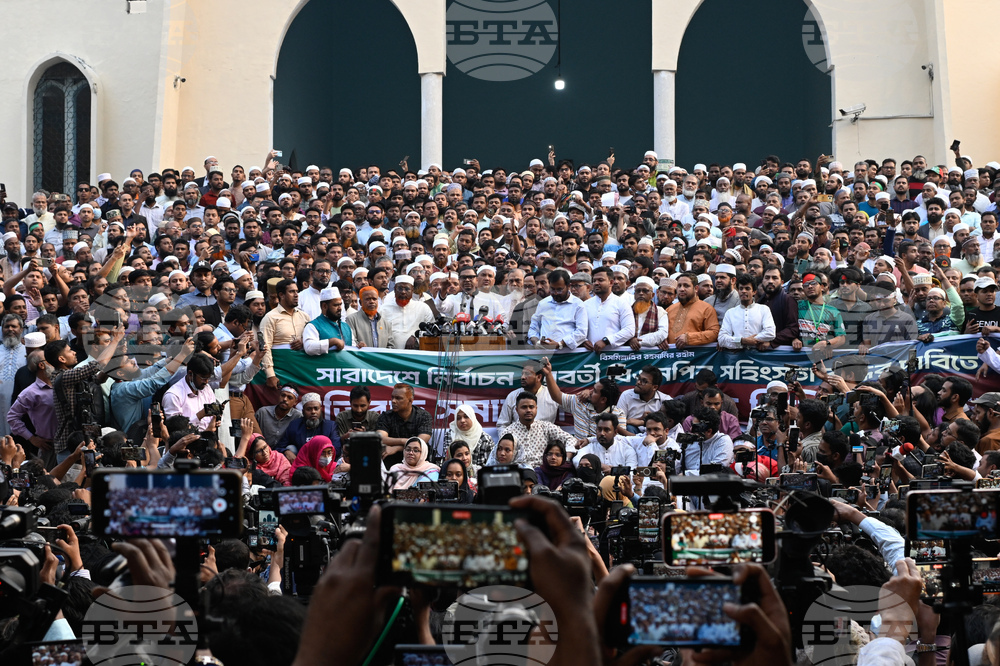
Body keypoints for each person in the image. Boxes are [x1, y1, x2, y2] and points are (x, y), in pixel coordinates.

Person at [538, 356, 628, 441]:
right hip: (579, 451)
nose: (590, 391)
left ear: (603, 400)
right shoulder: (580, 402)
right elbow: (557, 396)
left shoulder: (618, 414)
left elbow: (619, 440)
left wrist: (612, 423)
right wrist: (548, 374)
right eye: (592, 389)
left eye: (595, 391)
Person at [260, 278, 310, 388]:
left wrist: (303, 341)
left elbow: (313, 339)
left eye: (297, 291)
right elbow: (265, 347)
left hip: (303, 372)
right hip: (281, 373)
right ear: (281, 295)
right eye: (291, 292)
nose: (296, 295)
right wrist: (270, 375)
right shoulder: (270, 317)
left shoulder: (305, 317)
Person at [528, 270, 587, 349]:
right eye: (552, 289)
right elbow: (534, 327)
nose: (555, 293)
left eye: (559, 290)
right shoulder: (543, 304)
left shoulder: (578, 305)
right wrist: (536, 342)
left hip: (568, 353)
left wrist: (560, 344)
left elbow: (581, 332)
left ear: (568, 286)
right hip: (544, 352)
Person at [376, 383, 432, 466]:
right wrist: (404, 441)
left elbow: (420, 443)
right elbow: (381, 438)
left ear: (410, 400)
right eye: (392, 397)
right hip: (392, 462)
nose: (393, 401)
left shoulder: (423, 416)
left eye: (398, 398)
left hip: (417, 463)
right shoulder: (386, 416)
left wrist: (396, 448)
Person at [495, 362, 560, 431]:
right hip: (517, 437)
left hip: (545, 437)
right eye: (522, 374)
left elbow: (568, 405)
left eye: (527, 374)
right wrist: (508, 437)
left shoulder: (552, 395)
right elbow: (502, 425)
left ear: (538, 377)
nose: (522, 377)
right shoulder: (513, 396)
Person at [581, 267, 634, 351]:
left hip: (613, 355)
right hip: (589, 355)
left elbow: (629, 330)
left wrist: (606, 341)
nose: (596, 283)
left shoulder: (622, 304)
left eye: (600, 280)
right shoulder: (585, 305)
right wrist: (583, 341)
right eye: (594, 281)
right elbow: (577, 328)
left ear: (611, 282)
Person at [718, 273, 776, 350]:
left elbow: (770, 333)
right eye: (741, 288)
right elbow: (722, 339)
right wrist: (742, 341)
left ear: (754, 292)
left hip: (758, 354)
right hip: (736, 355)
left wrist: (747, 341)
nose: (743, 291)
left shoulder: (764, 309)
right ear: (737, 291)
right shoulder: (730, 313)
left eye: (747, 288)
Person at [276, 392, 341, 459]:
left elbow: (337, 450)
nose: (313, 412)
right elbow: (279, 447)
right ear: (303, 411)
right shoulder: (295, 425)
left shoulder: (330, 426)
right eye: (309, 409)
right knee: (290, 448)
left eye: (316, 409)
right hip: (300, 460)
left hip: (322, 460)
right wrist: (286, 451)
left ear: (320, 410)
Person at [666, 273, 719, 349]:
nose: (681, 289)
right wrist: (662, 339)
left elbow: (714, 333)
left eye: (686, 286)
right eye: (679, 286)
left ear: (696, 288)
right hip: (670, 355)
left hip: (696, 355)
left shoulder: (707, 309)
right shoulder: (670, 309)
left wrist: (690, 338)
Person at [574, 413, 638, 472]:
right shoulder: (589, 448)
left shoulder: (627, 450)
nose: (602, 433)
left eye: (606, 430)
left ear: (615, 432)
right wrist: (600, 465)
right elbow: (576, 460)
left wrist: (614, 471)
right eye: (599, 429)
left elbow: (632, 471)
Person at [442, 404, 495, 473]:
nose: (462, 420)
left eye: (466, 416)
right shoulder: (450, 435)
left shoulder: (485, 439)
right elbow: (448, 460)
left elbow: (490, 465)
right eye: (458, 418)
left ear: (472, 417)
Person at [616, 365, 670, 433]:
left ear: (654, 387)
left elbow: (670, 424)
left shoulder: (665, 400)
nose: (638, 382)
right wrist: (635, 420)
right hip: (631, 435)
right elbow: (618, 424)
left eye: (644, 381)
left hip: (656, 435)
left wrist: (642, 422)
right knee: (630, 427)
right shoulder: (626, 395)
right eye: (639, 378)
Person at [302, 287, 350, 354]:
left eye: (340, 304)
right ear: (324, 306)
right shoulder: (313, 326)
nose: (340, 308)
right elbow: (309, 347)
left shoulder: (346, 326)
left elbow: (352, 348)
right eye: (336, 305)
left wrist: (359, 346)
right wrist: (331, 342)